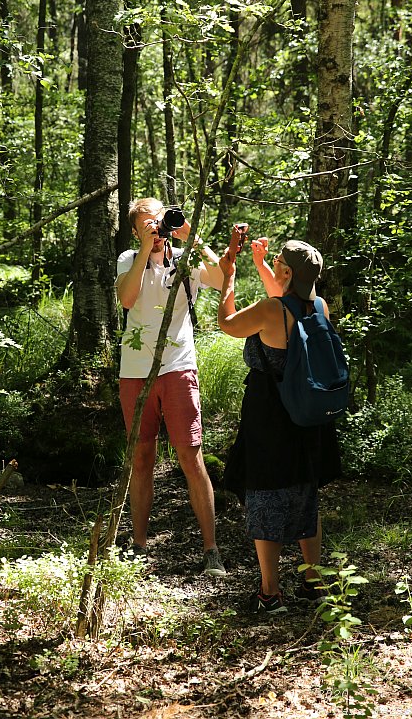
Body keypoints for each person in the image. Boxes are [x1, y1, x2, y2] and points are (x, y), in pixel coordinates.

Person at [218, 235, 342, 613]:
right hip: (306, 414)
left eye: (277, 263)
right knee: (305, 492)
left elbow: (227, 324)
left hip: (269, 415)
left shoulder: (270, 311)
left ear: (286, 271)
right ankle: (313, 582)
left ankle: (270, 593)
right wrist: (261, 264)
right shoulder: (317, 306)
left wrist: (229, 276)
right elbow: (287, 295)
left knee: (266, 493)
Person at [116, 197, 227, 577]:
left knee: (190, 458)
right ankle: (139, 545)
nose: (156, 228)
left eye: (159, 221)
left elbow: (222, 280)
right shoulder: (129, 260)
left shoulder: (186, 258)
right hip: (135, 371)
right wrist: (147, 249)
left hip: (179, 367)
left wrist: (193, 239)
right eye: (146, 224)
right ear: (134, 230)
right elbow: (127, 299)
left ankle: (211, 550)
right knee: (142, 458)